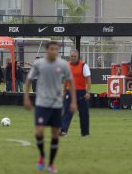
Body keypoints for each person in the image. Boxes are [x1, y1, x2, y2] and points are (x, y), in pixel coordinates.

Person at [24, 41, 77, 173]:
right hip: (42, 104)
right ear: (47, 50)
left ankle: (51, 165)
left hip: (56, 105)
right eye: (52, 49)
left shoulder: (63, 64)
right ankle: (42, 155)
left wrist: (73, 102)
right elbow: (28, 81)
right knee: (39, 132)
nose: (55, 51)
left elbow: (70, 81)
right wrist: (26, 98)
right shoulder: (39, 64)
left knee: (55, 135)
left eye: (57, 49)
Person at [61, 49, 92, 137]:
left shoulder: (83, 66)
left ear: (78, 57)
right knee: (67, 111)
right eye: (72, 56)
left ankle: (84, 133)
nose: (73, 58)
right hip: (69, 91)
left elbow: (88, 79)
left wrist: (88, 91)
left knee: (84, 113)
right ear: (69, 57)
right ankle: (63, 131)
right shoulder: (66, 66)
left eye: (75, 56)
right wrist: (63, 91)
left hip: (81, 92)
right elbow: (65, 80)